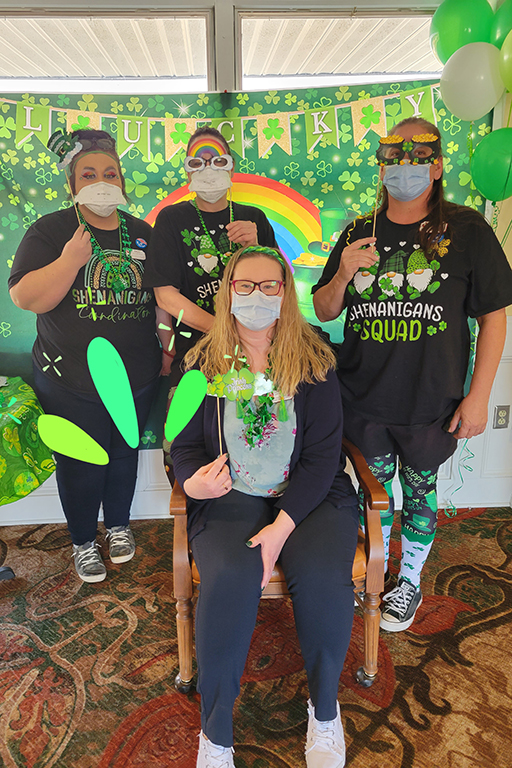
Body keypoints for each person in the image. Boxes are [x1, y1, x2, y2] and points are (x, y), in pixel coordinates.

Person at [312, 117, 512, 632]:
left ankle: (410, 580)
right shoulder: (359, 230)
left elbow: (493, 316)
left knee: (420, 489)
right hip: (364, 397)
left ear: (437, 165)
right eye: (394, 159)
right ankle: (370, 570)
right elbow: (325, 308)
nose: (405, 168)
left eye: (417, 158)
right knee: (370, 492)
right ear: (381, 168)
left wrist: (479, 396)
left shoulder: (467, 230)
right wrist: (342, 272)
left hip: (432, 401)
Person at [171, 245, 358, 768]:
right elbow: (183, 448)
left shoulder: (315, 362)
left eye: (269, 286)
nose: (256, 296)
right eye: (245, 286)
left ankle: (324, 713)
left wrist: (281, 528)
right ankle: (216, 735)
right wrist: (193, 484)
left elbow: (323, 459)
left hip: (310, 500)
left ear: (285, 294)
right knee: (229, 577)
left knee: (323, 576)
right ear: (228, 292)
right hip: (231, 498)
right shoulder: (202, 363)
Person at [9, 128, 169, 584]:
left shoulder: (142, 233)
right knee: (80, 461)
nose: (102, 180)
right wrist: (69, 260)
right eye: (89, 173)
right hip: (69, 379)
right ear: (72, 183)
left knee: (123, 454)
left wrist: (166, 346)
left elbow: (160, 299)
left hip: (134, 376)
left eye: (110, 172)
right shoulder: (51, 230)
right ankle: (83, 539)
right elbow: (26, 298)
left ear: (122, 179)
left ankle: (118, 526)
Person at [144, 126, 277, 389]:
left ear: (231, 167)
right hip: (196, 354)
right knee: (191, 429)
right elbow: (166, 297)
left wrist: (255, 247)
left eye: (218, 161)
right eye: (197, 162)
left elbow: (278, 289)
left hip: (257, 353)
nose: (209, 169)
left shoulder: (255, 218)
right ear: (187, 171)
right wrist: (225, 332)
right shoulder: (171, 219)